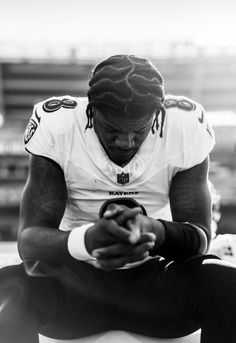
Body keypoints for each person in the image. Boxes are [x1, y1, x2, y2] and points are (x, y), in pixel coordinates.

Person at [0, 54, 236, 343]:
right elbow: (29, 241)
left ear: (158, 113)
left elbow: (199, 239)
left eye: (139, 131)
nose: (125, 141)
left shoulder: (184, 126)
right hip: (76, 284)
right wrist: (86, 241)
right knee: (7, 285)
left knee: (227, 282)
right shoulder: (58, 126)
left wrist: (154, 232)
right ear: (91, 110)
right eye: (111, 129)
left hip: (156, 282)